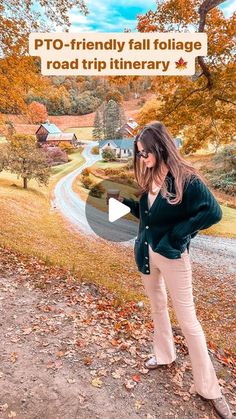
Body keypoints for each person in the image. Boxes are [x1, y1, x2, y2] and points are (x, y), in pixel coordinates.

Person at [117, 121, 233, 419]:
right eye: (139, 154)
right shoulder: (152, 176)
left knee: (188, 321)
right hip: (147, 254)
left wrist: (179, 235)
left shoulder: (187, 179)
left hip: (172, 257)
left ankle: (210, 388)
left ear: (159, 147)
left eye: (145, 153)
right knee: (157, 307)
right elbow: (149, 214)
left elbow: (213, 212)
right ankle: (165, 355)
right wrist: (124, 202)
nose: (142, 158)